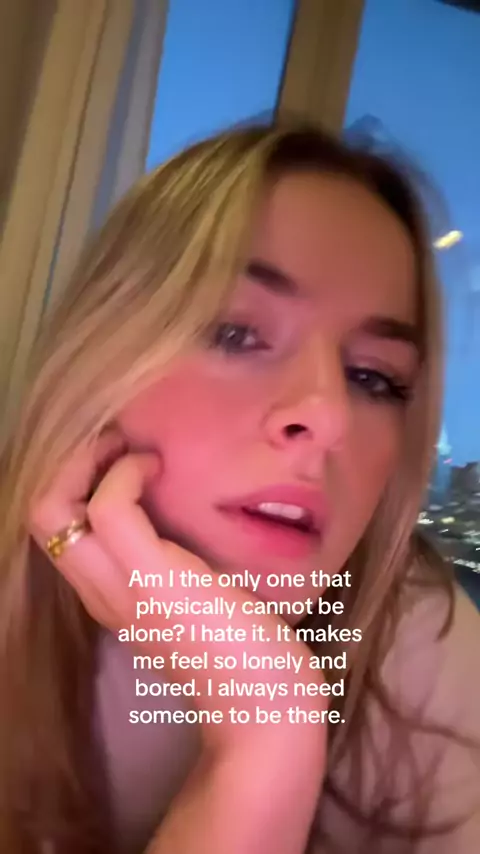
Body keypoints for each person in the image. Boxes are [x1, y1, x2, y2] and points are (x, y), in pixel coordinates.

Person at [0, 122, 478, 854]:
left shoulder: (421, 639)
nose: (328, 417)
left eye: (374, 378)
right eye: (234, 333)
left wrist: (268, 718)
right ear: (99, 358)